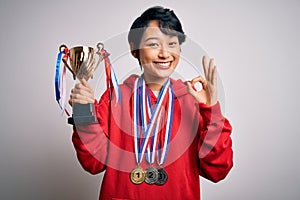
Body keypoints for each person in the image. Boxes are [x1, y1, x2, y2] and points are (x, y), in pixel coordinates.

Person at [69, 6, 233, 200]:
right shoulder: (116, 97)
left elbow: (217, 171)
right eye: (154, 44)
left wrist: (211, 109)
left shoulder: (193, 100)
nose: (165, 54)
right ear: (134, 49)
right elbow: (93, 163)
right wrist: (83, 112)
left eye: (172, 43)